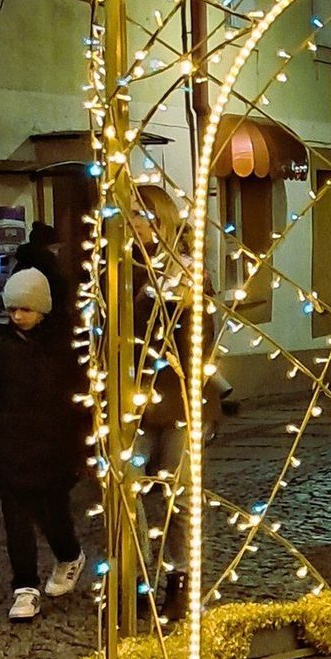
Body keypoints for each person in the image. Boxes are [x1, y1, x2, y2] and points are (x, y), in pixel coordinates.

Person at [0, 267, 87, 622]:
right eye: (13, 310)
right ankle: (25, 588)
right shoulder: (1, 352)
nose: (18, 316)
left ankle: (69, 555)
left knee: (53, 517)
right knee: (16, 521)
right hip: (10, 451)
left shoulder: (63, 351)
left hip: (52, 451)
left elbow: (78, 402)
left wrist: (80, 449)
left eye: (26, 309)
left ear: (42, 310)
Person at [131, 205, 218, 623]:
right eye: (128, 213)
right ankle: (137, 577)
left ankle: (179, 579)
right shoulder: (117, 269)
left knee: (177, 496)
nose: (132, 221)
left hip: (178, 402)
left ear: (159, 219)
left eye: (139, 213)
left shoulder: (183, 275)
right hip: (133, 404)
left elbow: (201, 343)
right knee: (126, 491)